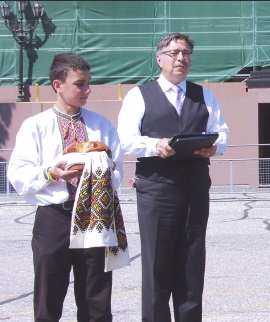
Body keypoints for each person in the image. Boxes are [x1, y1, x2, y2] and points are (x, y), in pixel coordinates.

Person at [117, 32, 229, 321]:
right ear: (159, 59)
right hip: (156, 189)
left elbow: (223, 132)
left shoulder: (205, 94)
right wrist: (154, 145)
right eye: (174, 52)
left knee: (192, 262)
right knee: (157, 264)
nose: (181, 58)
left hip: (194, 187)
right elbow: (125, 140)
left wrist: (215, 147)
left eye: (187, 53)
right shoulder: (139, 95)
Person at [7, 53, 126, 321]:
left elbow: (117, 169)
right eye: (80, 84)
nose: (87, 90)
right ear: (58, 84)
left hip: (95, 214)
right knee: (49, 294)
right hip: (54, 216)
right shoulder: (35, 126)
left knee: (96, 295)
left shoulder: (101, 125)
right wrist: (51, 173)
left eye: (88, 83)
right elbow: (19, 175)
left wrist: (103, 174)